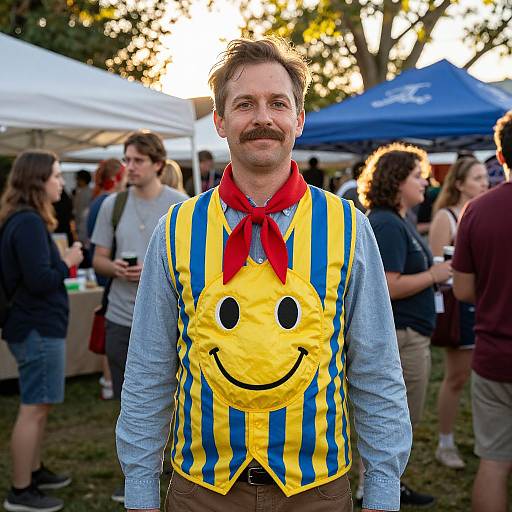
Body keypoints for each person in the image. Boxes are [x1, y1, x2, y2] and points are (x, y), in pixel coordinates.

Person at [117, 37, 412, 512]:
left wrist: (381, 493)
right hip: (202, 493)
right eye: (245, 104)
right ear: (219, 120)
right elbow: (149, 371)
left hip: (316, 492)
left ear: (299, 118)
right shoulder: (176, 229)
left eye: (278, 103)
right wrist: (141, 491)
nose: (262, 118)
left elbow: (376, 368)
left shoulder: (347, 226)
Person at [91, 130, 187, 503]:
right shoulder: (112, 205)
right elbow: (96, 257)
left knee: (177, 395)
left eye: (137, 161)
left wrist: (155, 269)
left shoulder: (181, 206)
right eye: (126, 159)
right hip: (121, 317)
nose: (128, 167)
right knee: (128, 400)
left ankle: (171, 464)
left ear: (158, 164)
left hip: (170, 321)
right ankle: (134, 473)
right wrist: (113, 267)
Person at [359, 142, 452, 508]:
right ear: (397, 181)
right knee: (395, 422)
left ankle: (386, 485)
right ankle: (379, 489)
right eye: (418, 175)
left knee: (398, 422)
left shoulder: (396, 220)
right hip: (401, 337)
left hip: (410, 334)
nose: (425, 181)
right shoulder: (385, 223)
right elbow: (388, 285)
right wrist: (433, 274)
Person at [0, 150, 83, 512]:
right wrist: (68, 262)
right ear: (37, 181)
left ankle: (32, 472)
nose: (61, 182)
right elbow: (40, 280)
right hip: (35, 325)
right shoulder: (29, 223)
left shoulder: (23, 219)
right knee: (33, 408)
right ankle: (21, 490)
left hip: (31, 325)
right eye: (55, 175)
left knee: (39, 404)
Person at [453, 110, 512, 512]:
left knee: (493, 461)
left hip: (494, 354)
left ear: (501, 157)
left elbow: (463, 289)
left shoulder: (477, 210)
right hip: (493, 355)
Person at [429, 157, 488, 469]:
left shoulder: (486, 212)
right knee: (456, 377)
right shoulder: (446, 217)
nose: (484, 183)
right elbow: (439, 267)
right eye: (477, 178)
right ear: (460, 183)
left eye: (485, 177)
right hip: (458, 306)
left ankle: (484, 439)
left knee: (484, 379)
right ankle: (445, 442)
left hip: (484, 304)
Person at [86, 158, 126, 401]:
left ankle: (107, 380)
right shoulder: (108, 204)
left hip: (109, 273)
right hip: (113, 274)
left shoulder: (97, 201)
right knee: (108, 324)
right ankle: (109, 380)